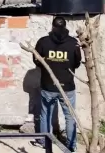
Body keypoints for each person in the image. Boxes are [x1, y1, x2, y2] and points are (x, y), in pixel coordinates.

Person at [31, 16, 81, 152]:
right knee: (70, 117)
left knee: (45, 114)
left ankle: (43, 140)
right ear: (65, 27)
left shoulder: (43, 42)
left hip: (48, 86)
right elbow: (77, 63)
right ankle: (71, 145)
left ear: (52, 27)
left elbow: (37, 61)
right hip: (68, 87)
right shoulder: (73, 43)